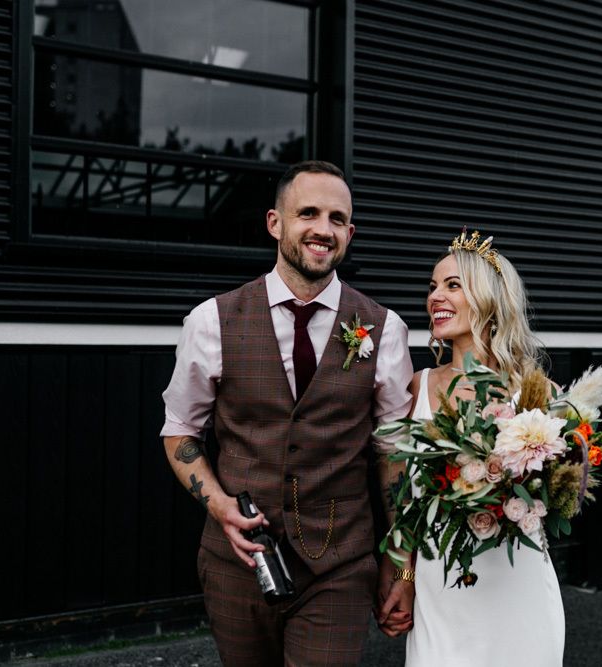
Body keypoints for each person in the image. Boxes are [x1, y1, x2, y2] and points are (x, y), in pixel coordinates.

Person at [160, 160, 414, 666]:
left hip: (340, 564)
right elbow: (180, 430)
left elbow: (395, 454)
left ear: (350, 232)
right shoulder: (211, 320)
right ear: (275, 223)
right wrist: (218, 506)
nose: (324, 229)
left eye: (338, 219)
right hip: (238, 563)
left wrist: (402, 563)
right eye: (309, 213)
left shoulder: (385, 330)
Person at [377, 231, 565, 665]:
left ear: (489, 299)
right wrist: (403, 574)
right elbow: (400, 497)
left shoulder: (538, 394)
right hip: (440, 581)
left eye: (452, 285)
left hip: (518, 584)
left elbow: (563, 494)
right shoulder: (417, 387)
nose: (435, 297)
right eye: (432, 286)